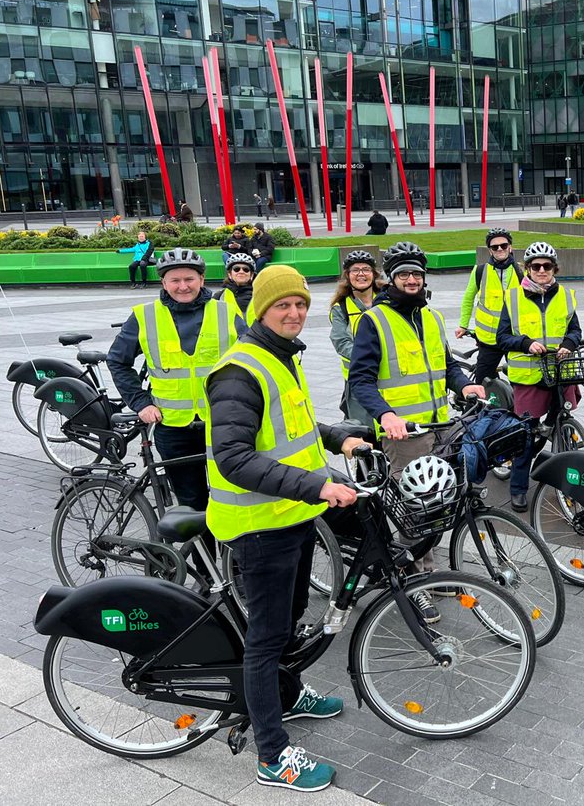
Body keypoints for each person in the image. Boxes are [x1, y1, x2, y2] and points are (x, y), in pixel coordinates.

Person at [205, 264, 366, 793]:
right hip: (258, 526)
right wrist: (317, 487)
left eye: (300, 303)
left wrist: (336, 435)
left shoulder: (280, 356)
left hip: (289, 519)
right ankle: (271, 755)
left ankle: (289, 694)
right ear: (261, 310)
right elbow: (233, 456)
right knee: (266, 638)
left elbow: (288, 429)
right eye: (283, 305)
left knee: (290, 619)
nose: (295, 313)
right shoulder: (239, 370)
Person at [348, 242, 486, 619]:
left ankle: (431, 570)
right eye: (403, 274)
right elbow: (360, 380)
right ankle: (412, 580)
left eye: (416, 274)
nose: (411, 280)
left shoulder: (432, 318)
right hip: (403, 435)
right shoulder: (373, 321)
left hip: (441, 428)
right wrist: (386, 414)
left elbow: (446, 365)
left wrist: (464, 384)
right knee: (411, 509)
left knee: (437, 505)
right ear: (390, 280)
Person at [107, 248, 239, 512]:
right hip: (173, 427)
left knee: (232, 501)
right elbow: (117, 361)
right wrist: (141, 403)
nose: (183, 286)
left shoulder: (225, 313)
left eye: (189, 279)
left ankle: (229, 555)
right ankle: (202, 555)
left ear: (202, 280)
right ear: (163, 283)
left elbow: (252, 359)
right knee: (192, 505)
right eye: (175, 280)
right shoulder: (145, 316)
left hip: (222, 423)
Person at [495, 241, 583, 512]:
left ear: (554, 268)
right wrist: (525, 343)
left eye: (547, 265)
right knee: (525, 434)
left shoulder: (566, 296)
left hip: (560, 374)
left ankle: (568, 484)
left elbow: (576, 331)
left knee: (561, 426)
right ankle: (519, 488)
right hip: (530, 378)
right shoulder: (513, 298)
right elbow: (502, 338)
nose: (542, 270)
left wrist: (569, 343)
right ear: (527, 269)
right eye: (536, 266)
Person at [457, 228, 521, 385]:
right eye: (495, 247)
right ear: (490, 250)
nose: (500, 249)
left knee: (520, 381)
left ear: (510, 247)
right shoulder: (480, 271)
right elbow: (468, 299)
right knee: (483, 383)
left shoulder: (521, 271)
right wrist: (463, 325)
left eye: (504, 245)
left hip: (513, 337)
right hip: (488, 340)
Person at [330, 250, 383, 427]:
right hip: (359, 379)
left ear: (374, 274)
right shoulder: (341, 308)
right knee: (364, 431)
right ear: (348, 276)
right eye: (355, 270)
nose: (361, 274)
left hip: (389, 377)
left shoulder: (386, 300)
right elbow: (341, 342)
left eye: (366, 269)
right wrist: (370, 358)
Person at [215, 252, 257, 326]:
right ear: (230, 274)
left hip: (255, 337)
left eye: (246, 269)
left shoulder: (260, 295)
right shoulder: (219, 296)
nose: (241, 271)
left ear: (252, 275)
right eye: (236, 269)